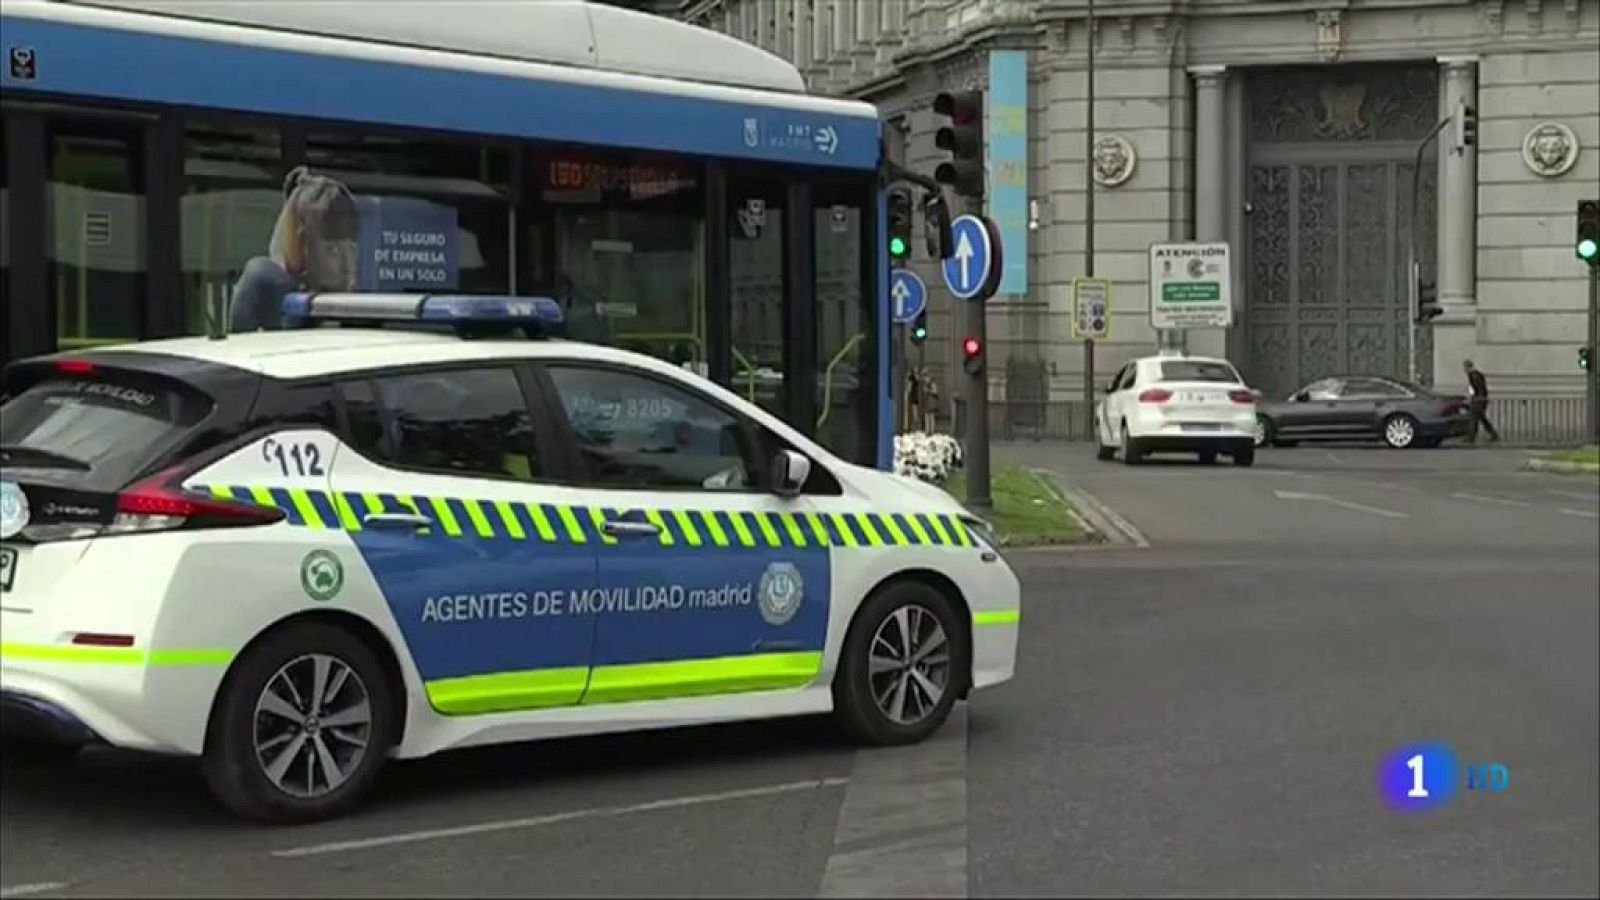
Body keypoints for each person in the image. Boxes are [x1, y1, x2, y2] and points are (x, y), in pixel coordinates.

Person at [229, 166, 360, 332]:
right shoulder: (268, 285)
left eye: (352, 249)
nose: (347, 265)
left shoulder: (356, 312)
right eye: (332, 250)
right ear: (301, 244)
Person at [1462, 359, 1500, 444]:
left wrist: (1474, 397)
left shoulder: (1474, 376)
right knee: (1482, 418)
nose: (1464, 370)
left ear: (1467, 367)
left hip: (1478, 400)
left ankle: (1471, 437)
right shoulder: (1475, 375)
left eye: (1464, 367)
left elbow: (1478, 389)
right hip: (1480, 399)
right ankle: (1493, 434)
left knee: (1473, 418)